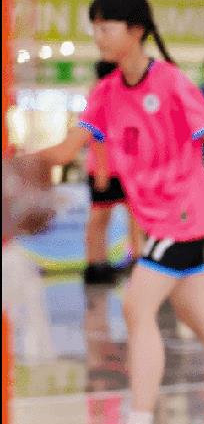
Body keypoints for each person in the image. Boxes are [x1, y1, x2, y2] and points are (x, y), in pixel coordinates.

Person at [32, 0, 204, 424]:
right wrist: (16, 163)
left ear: (136, 31)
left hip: (182, 216)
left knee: (136, 306)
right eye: (95, 28)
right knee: (201, 316)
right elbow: (65, 151)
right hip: (157, 219)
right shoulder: (105, 93)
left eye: (106, 27)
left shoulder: (172, 84)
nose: (99, 36)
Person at [83, 60, 141, 285]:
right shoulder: (98, 95)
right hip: (103, 168)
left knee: (134, 215)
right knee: (99, 217)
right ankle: (95, 264)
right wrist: (102, 168)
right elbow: (96, 133)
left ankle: (135, 259)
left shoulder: (122, 96)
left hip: (124, 167)